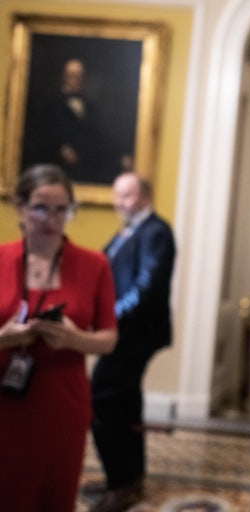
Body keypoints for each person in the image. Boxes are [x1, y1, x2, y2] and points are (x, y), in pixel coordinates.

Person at [0, 164, 117, 511]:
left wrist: (72, 339)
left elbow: (109, 338)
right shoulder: (1, 258)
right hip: (5, 402)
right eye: (40, 206)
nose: (51, 218)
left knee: (55, 497)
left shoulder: (94, 264)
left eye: (61, 209)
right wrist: (3, 338)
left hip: (63, 402)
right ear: (20, 207)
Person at [87, 172, 176, 512]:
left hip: (135, 334)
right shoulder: (131, 230)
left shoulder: (156, 231)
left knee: (102, 398)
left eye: (126, 195)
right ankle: (128, 479)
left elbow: (145, 289)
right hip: (124, 332)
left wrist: (108, 317)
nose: (118, 202)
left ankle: (121, 483)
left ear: (145, 198)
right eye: (116, 195)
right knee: (124, 403)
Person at [22, 58, 126, 185]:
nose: (77, 80)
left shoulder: (91, 107)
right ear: (64, 77)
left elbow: (102, 136)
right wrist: (61, 149)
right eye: (72, 76)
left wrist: (121, 155)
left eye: (80, 76)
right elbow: (44, 134)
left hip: (87, 168)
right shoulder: (51, 105)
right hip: (57, 167)